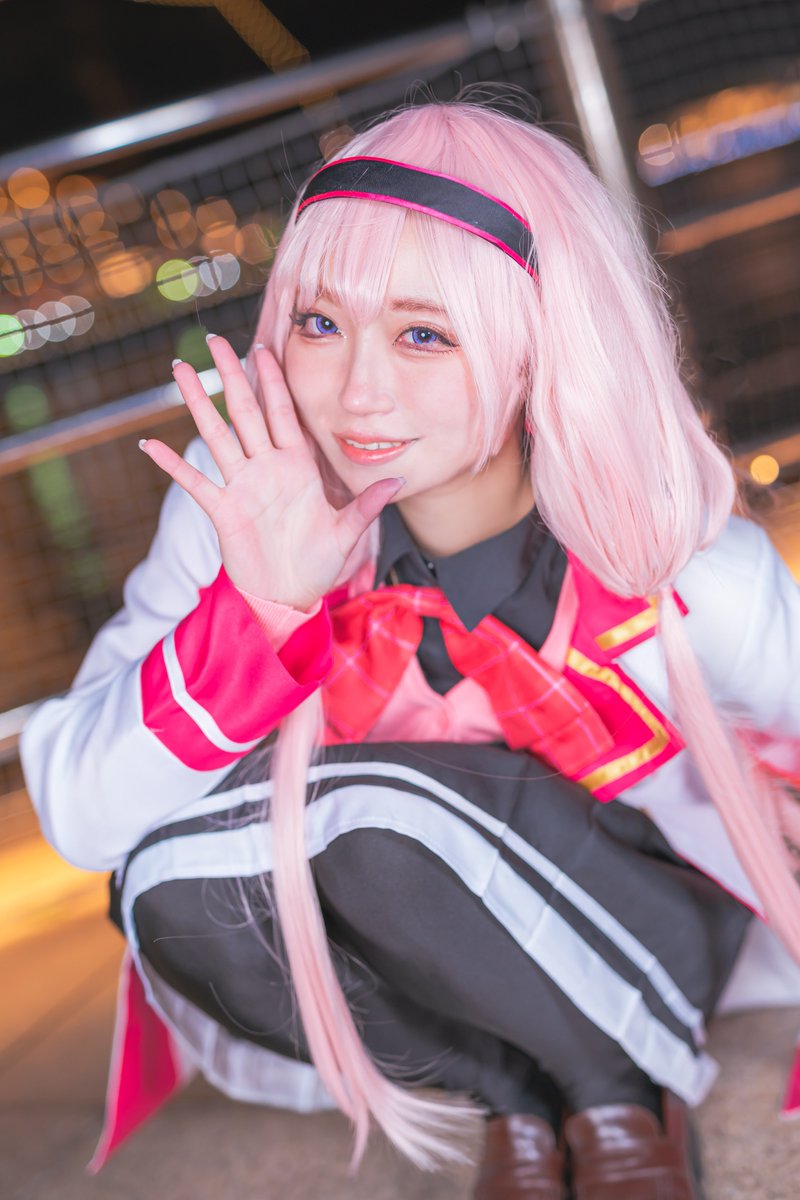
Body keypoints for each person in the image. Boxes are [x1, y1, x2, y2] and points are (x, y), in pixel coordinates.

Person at [21, 95, 800, 1200]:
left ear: (543, 344)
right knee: (170, 883)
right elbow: (85, 816)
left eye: (423, 334)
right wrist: (262, 610)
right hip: (436, 958)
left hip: (648, 924)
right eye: (318, 323)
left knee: (370, 829)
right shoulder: (239, 518)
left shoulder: (679, 561)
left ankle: (620, 1089)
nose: (357, 391)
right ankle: (512, 1096)